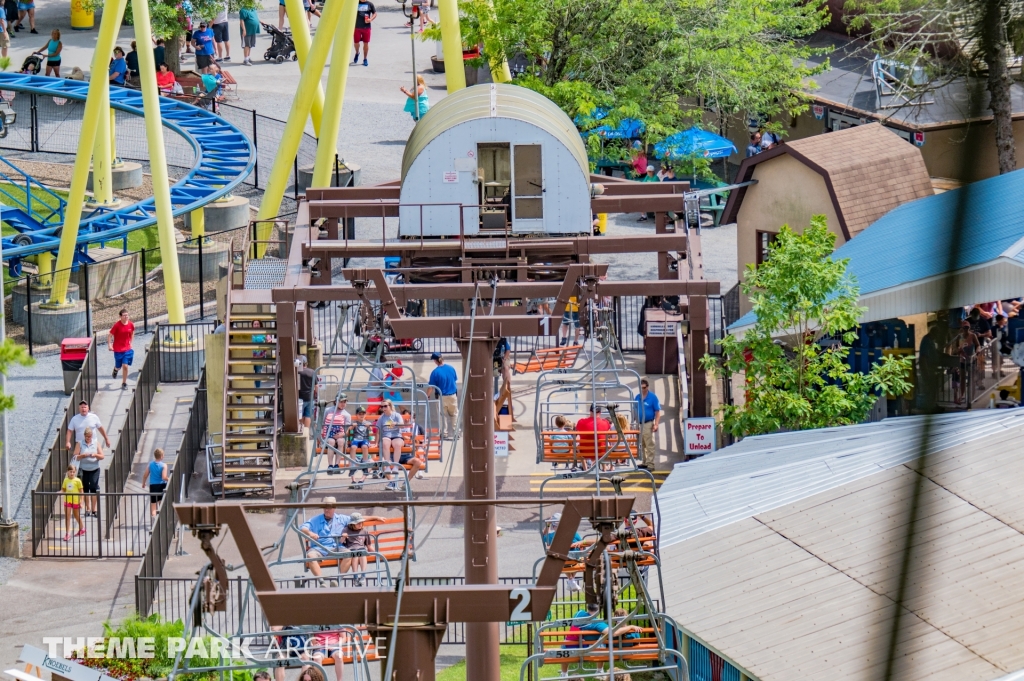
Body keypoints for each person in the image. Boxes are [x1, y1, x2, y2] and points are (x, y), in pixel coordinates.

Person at [338, 512, 375, 585]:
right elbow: (341, 542)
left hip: (361, 549)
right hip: (352, 549)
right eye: (358, 523)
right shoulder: (346, 530)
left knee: (362, 555)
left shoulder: (364, 531)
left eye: (361, 522)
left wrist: (377, 552)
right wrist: (343, 536)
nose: (360, 524)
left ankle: (363, 575)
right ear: (352, 524)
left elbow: (368, 545)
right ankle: (355, 577)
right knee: (355, 556)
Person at [376, 401, 406, 491]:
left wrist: (396, 424)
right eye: (382, 407)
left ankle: (396, 466)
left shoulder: (396, 415)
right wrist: (375, 442)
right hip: (387, 435)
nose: (383, 408)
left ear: (390, 406)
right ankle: (388, 465)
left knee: (397, 444)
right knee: (385, 443)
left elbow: (402, 425)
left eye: (385, 406)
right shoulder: (382, 418)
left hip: (396, 434)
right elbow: (377, 430)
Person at [427, 352, 458, 439]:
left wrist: (427, 396)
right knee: (454, 414)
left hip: (441, 396)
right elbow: (454, 380)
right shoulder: (451, 368)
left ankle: (444, 433)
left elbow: (431, 387)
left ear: (435, 361)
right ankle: (456, 433)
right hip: (453, 395)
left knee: (442, 416)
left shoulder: (435, 372)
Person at [635, 378, 662, 470]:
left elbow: (657, 411)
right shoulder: (637, 397)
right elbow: (634, 409)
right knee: (642, 444)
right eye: (641, 388)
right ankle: (644, 462)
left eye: (644, 387)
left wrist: (656, 424)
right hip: (639, 423)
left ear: (647, 387)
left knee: (649, 444)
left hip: (648, 423)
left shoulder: (653, 397)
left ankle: (650, 464)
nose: (642, 389)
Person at [321, 395, 351, 471]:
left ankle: (337, 464)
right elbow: (322, 423)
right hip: (329, 435)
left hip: (340, 435)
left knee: (341, 441)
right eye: (341, 402)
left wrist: (342, 434)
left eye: (345, 402)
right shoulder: (328, 410)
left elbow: (347, 429)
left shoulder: (346, 415)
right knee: (331, 441)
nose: (343, 404)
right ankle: (330, 465)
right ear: (336, 402)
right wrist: (321, 436)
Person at [346, 408, 372, 488]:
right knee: (353, 447)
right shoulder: (355, 423)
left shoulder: (367, 423)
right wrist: (351, 427)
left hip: (364, 440)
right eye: (360, 414)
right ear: (357, 415)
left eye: (363, 414)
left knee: (364, 447)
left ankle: (364, 463)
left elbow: (371, 430)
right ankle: (353, 466)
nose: (361, 415)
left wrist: (369, 427)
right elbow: (347, 432)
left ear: (365, 415)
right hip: (356, 439)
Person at [109, 308, 135, 389]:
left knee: (125, 366)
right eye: (124, 315)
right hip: (118, 349)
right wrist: (110, 345)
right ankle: (116, 369)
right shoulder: (117, 325)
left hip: (127, 349)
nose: (126, 317)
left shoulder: (131, 324)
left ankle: (124, 383)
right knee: (118, 366)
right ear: (120, 316)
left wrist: (131, 342)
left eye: (127, 315)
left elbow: (132, 333)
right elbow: (110, 335)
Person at [141, 448, 168, 524]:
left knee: (153, 504)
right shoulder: (164, 465)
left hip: (153, 486)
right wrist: (170, 479)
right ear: (162, 456)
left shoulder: (150, 464)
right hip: (162, 485)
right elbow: (164, 477)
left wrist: (143, 483)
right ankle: (162, 520)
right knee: (161, 503)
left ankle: (153, 518)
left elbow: (145, 475)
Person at [61, 465, 84, 542]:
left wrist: (81, 501)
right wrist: (60, 492)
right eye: (70, 472)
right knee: (67, 517)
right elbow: (63, 489)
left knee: (76, 515)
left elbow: (81, 492)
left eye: (73, 472)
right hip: (67, 500)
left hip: (76, 500)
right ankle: (67, 533)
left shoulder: (78, 481)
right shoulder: (66, 480)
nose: (72, 473)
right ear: (67, 472)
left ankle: (82, 528)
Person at [352, 0, 376, 67]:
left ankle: (365, 59)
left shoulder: (369, 4)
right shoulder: (355, 3)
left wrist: (371, 19)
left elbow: (375, 13)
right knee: (356, 43)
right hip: (356, 27)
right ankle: (357, 53)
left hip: (366, 27)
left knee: (366, 43)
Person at [298, 354, 316, 429]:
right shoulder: (312, 372)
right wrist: (315, 394)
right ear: (306, 363)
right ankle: (307, 432)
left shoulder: (298, 372)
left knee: (300, 415)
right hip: (310, 397)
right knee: (308, 416)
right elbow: (316, 385)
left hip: (300, 397)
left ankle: (301, 430)